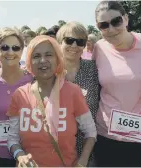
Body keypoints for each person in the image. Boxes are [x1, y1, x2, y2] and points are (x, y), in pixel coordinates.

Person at [92, 1, 141, 166]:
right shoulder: (99, 48)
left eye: (116, 21)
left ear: (126, 19)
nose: (111, 29)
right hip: (107, 137)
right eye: (104, 25)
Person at [6, 35, 97, 167]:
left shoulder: (73, 92)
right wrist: (20, 156)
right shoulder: (20, 94)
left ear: (58, 59)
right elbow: (12, 138)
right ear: (29, 62)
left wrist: (82, 162)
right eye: (36, 56)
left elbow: (90, 132)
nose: (43, 60)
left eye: (49, 55)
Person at [0, 27, 33, 167]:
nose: (10, 52)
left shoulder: (32, 79)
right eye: (5, 47)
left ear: (22, 51)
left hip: (28, 155)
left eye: (16, 48)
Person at [56, 21, 100, 166]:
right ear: (59, 42)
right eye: (69, 40)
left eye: (80, 41)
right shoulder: (48, 73)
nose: (74, 46)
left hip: (88, 151)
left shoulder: (94, 70)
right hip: (55, 152)